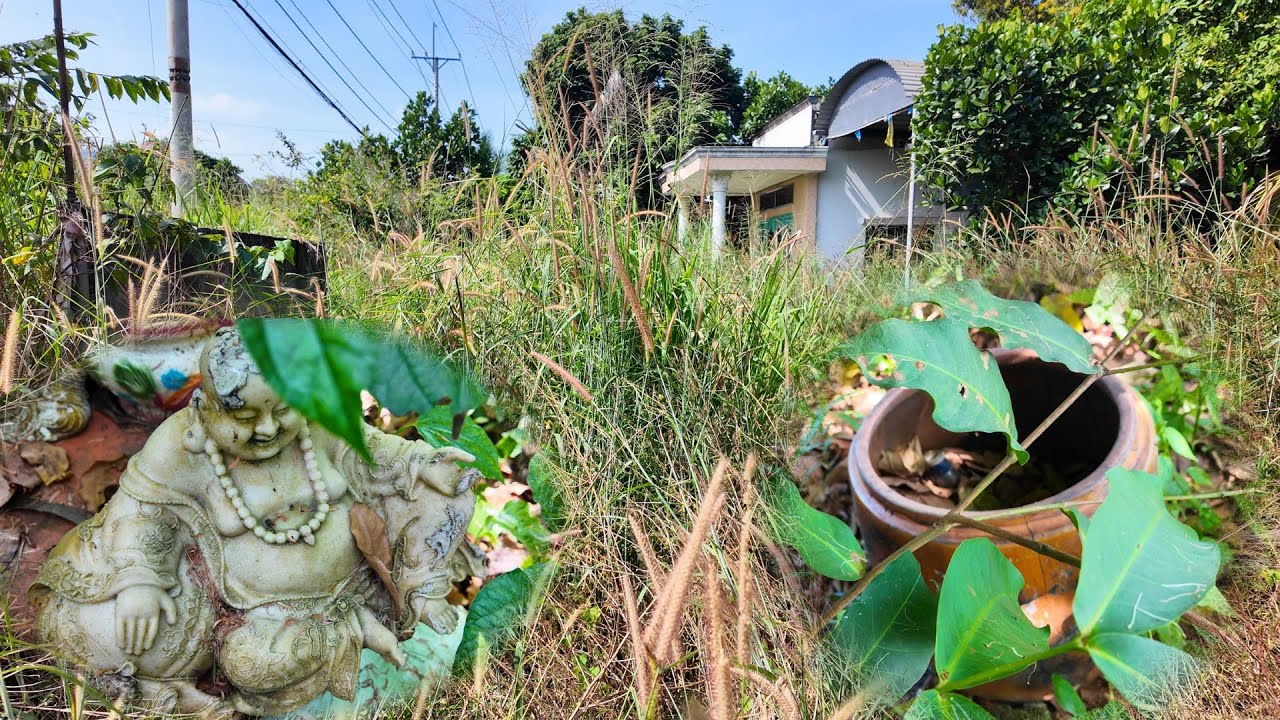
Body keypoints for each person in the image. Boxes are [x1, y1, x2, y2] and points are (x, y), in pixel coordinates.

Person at [30, 327, 483, 716]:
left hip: (355, 569)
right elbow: (142, 510)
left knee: (443, 491)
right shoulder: (180, 446)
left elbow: (375, 451)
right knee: (185, 647)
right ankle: (343, 632)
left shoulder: (318, 420)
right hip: (254, 608)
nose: (266, 429)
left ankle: (417, 589)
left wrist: (422, 465)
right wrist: (140, 580)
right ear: (206, 407)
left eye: (282, 410)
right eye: (244, 418)